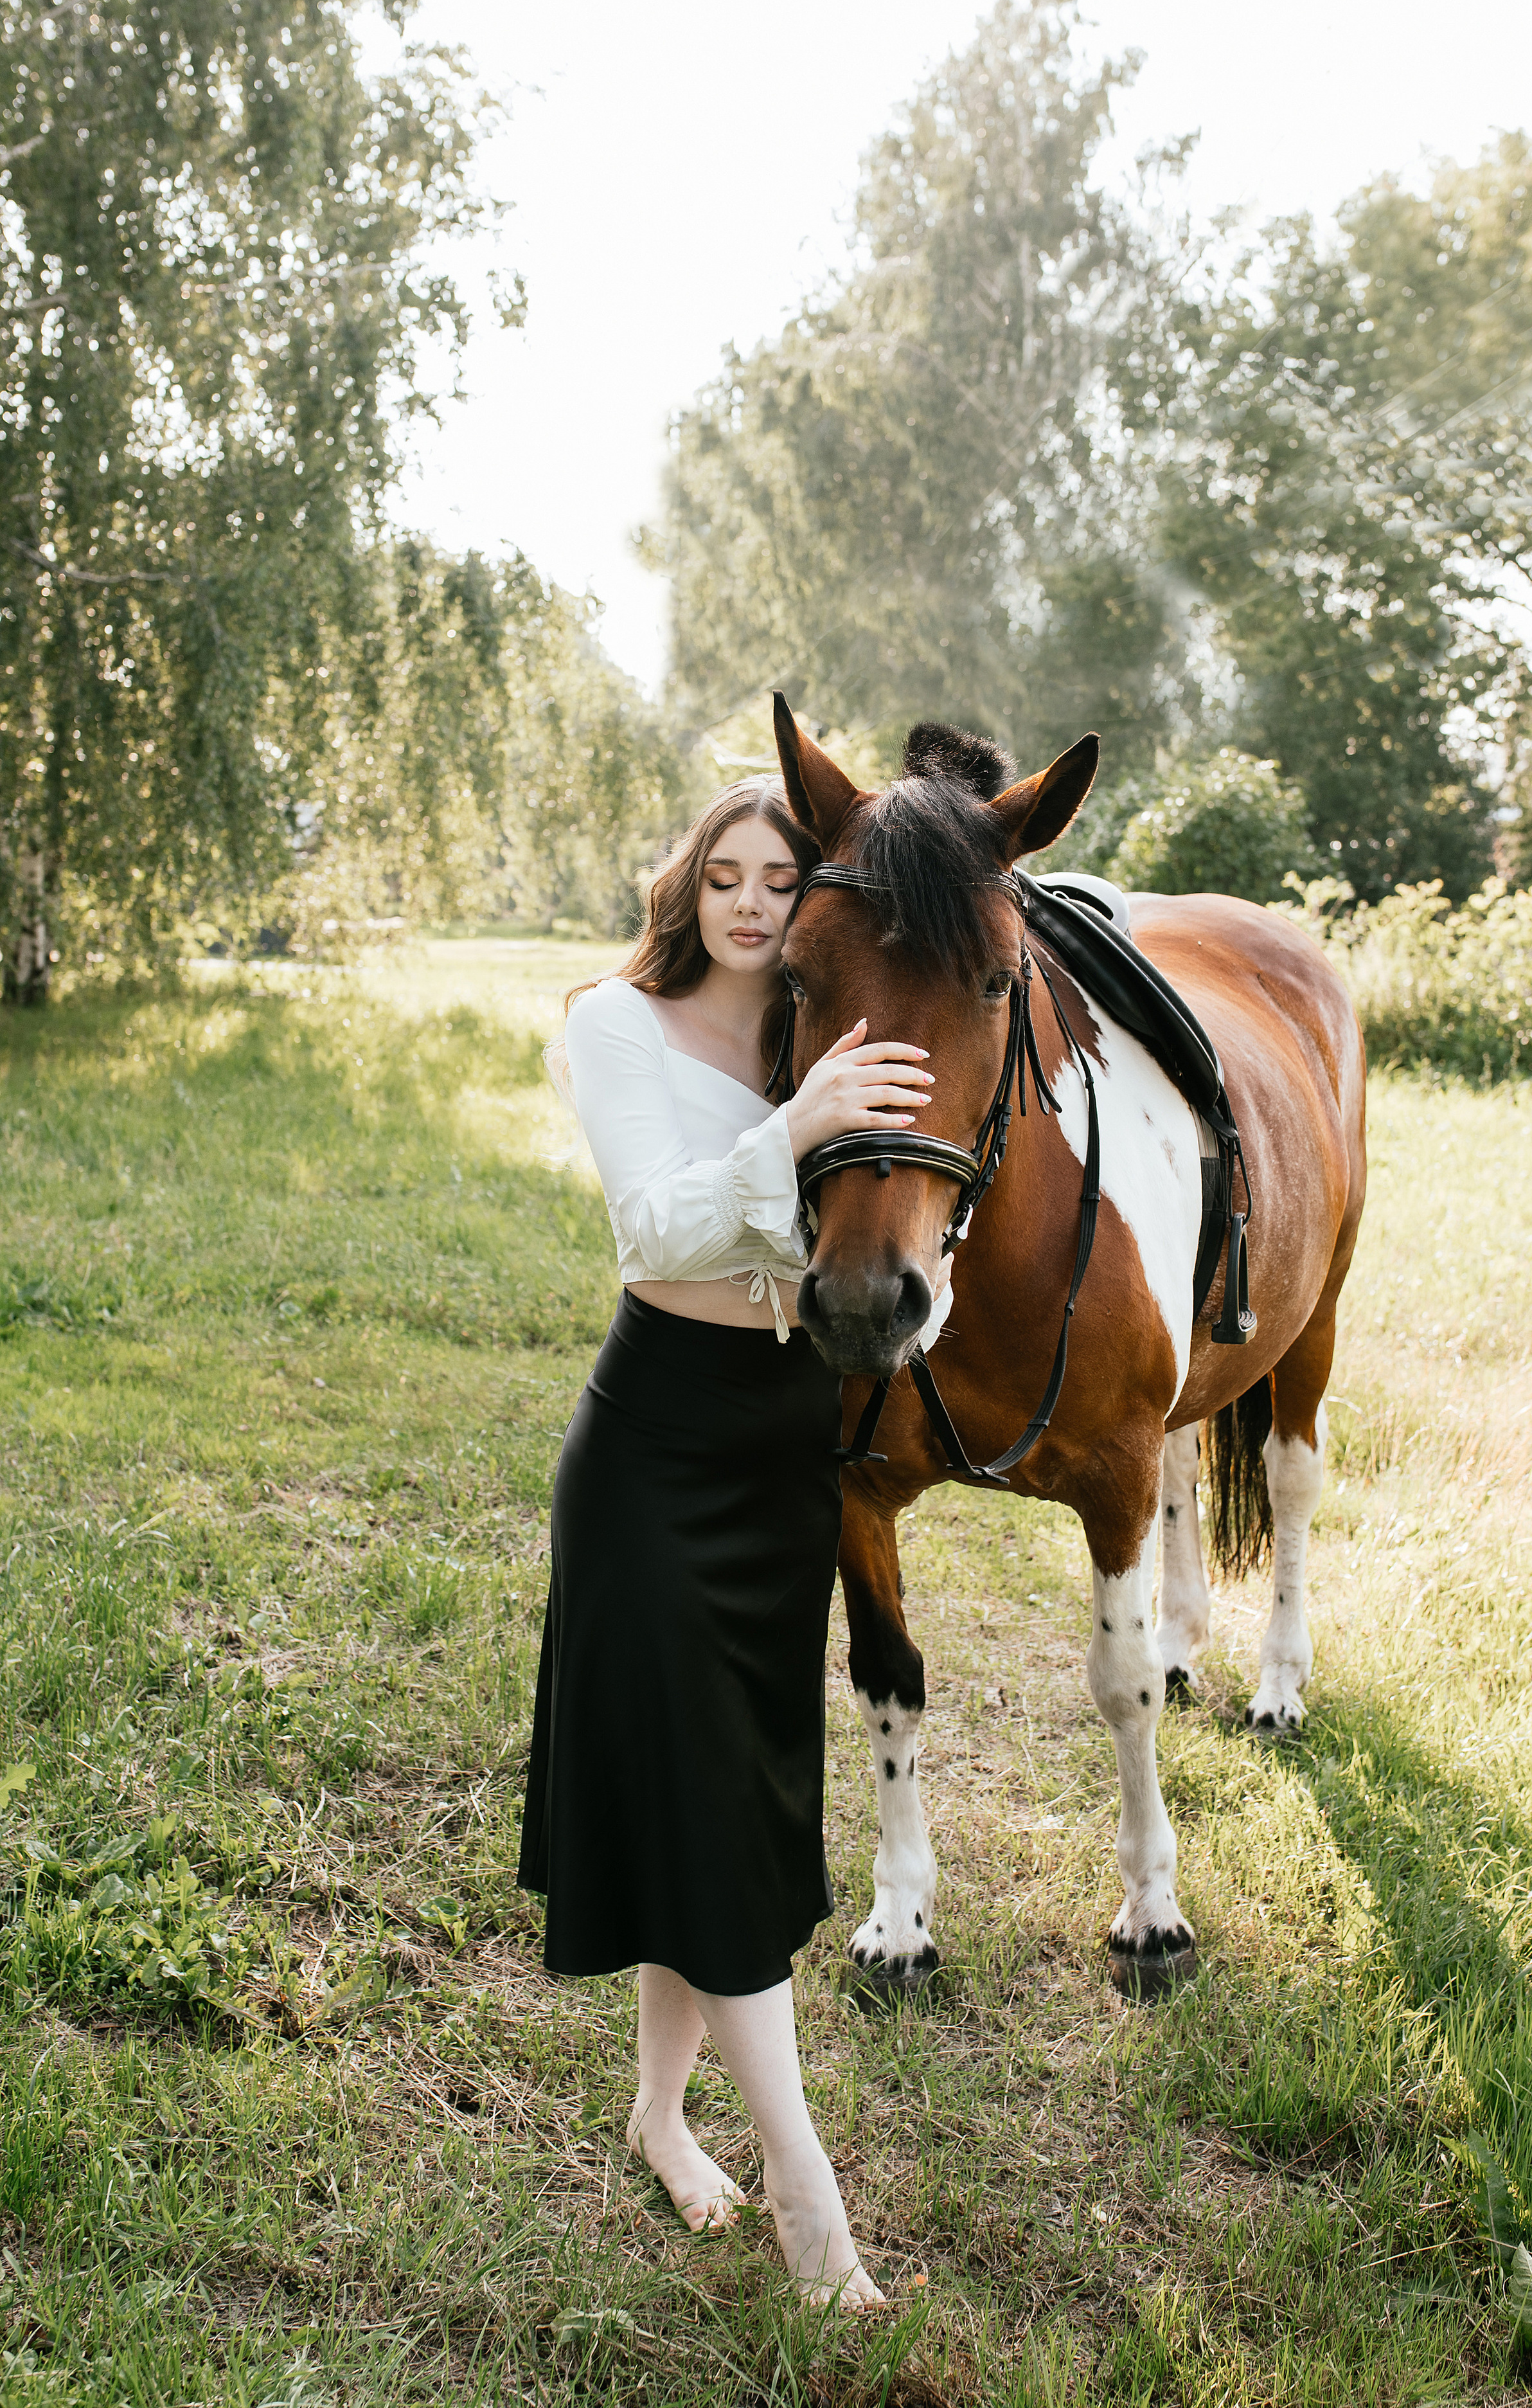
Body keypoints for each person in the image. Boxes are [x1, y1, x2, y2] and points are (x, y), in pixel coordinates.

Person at [519, 777, 937, 2310]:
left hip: (782, 1447)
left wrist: (835, 1103)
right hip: (655, 1447)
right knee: (701, 1809)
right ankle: (809, 2207)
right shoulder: (615, 1027)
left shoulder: (813, 1031)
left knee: (731, 1810)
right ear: (685, 890)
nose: (753, 905)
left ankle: (655, 2115)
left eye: (781, 882)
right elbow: (655, 1229)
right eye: (727, 877)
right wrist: (802, 1122)